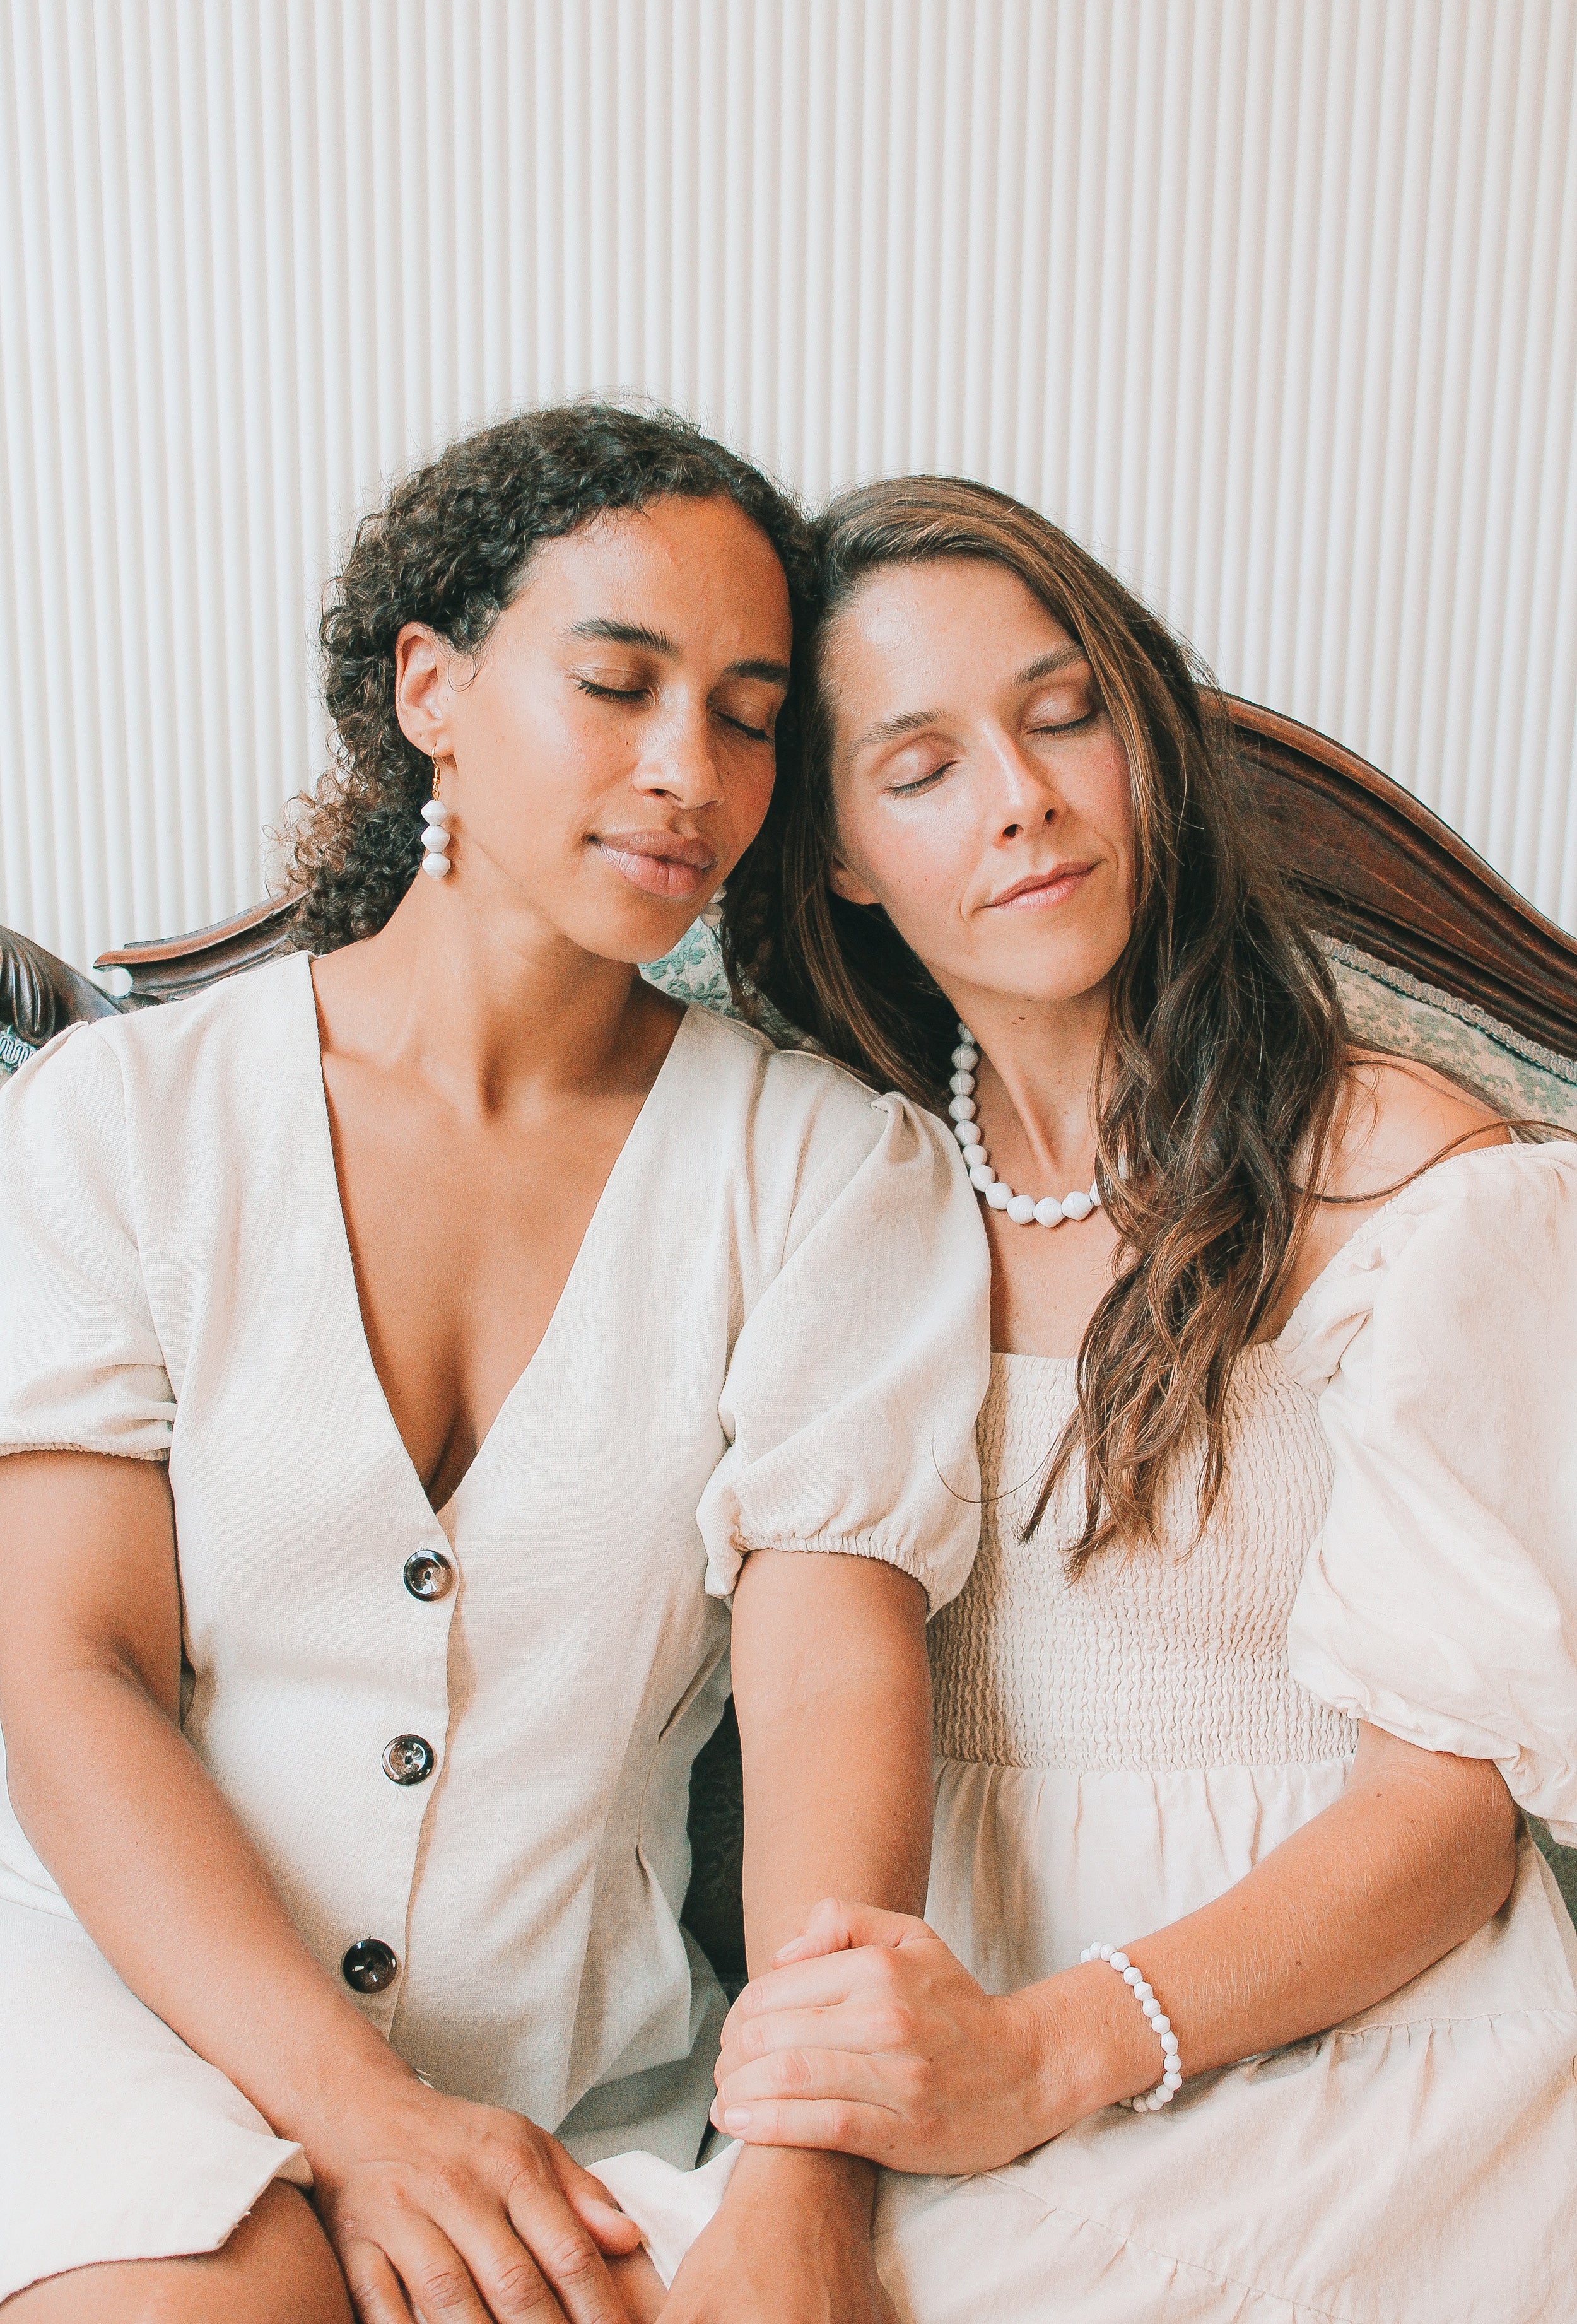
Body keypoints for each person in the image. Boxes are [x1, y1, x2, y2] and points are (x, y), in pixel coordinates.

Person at [0, 415, 993, 2323]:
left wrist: (805, 2172)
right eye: (618, 684)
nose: (688, 771)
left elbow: (825, 1695)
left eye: (750, 719)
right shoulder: (123, 1120)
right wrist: (359, 2119)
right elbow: (68, 1669)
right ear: (430, 691)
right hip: (104, 2006)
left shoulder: (828, 1174)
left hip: (578, 2093)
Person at [597, 476, 1577, 2321]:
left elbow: (1447, 1825)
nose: (1022, 800)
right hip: (931, 2053)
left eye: (1063, 719)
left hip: (1346, 2061)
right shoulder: (847, 1198)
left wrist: (1044, 2055)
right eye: (920, 769)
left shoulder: (1411, 1180)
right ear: (835, 855)